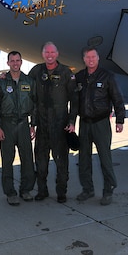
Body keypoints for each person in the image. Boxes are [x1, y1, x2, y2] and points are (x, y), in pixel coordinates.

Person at [73, 46, 125, 206]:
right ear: (84, 59)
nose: (90, 60)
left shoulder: (107, 76)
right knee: (84, 158)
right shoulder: (79, 77)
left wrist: (120, 120)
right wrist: (71, 122)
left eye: (93, 57)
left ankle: (108, 190)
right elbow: (75, 102)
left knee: (105, 158)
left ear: (98, 58)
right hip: (84, 123)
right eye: (87, 57)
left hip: (101, 123)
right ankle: (87, 189)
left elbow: (117, 98)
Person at [28, 42, 77, 203]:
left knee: (62, 162)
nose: (49, 55)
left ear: (57, 54)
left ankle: (61, 192)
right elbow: (25, 87)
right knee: (41, 162)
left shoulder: (65, 73)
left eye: (52, 52)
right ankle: (42, 191)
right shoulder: (36, 71)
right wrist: (32, 124)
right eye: (46, 52)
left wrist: (71, 121)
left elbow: (74, 100)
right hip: (42, 126)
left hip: (60, 125)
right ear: (42, 54)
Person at [0, 51, 36, 206]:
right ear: (8, 63)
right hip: (7, 125)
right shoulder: (0, 83)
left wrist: (33, 125)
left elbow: (34, 105)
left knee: (27, 160)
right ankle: (10, 193)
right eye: (12, 61)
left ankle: (26, 190)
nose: (15, 63)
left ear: (21, 62)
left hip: (24, 124)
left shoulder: (29, 81)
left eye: (18, 60)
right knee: (7, 160)